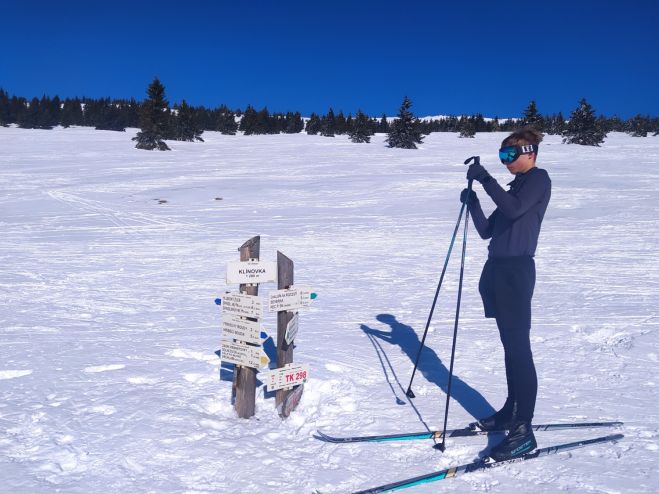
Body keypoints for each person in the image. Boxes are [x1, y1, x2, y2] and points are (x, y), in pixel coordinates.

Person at [461, 127, 551, 461]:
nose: (506, 162)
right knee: (509, 349)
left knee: (519, 350)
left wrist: (485, 180)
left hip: (516, 273)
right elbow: (487, 230)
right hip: (497, 273)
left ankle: (523, 431)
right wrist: (473, 204)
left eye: (510, 155)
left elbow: (514, 210)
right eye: (502, 156)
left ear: (530, 153)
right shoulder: (514, 189)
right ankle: (509, 412)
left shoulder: (538, 180)